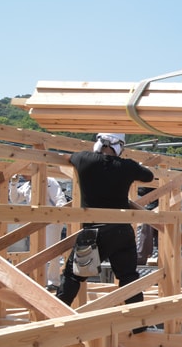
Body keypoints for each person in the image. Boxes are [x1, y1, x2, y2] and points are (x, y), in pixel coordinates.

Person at [56, 133, 154, 322]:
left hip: (93, 233)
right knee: (128, 277)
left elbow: (65, 158)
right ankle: (139, 323)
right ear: (120, 147)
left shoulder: (84, 158)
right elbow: (149, 176)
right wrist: (131, 166)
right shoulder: (128, 166)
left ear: (98, 143)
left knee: (73, 276)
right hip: (122, 231)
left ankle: (55, 317)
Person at [9, 174, 68, 291]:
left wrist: (60, 216)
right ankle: (41, 281)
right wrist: (13, 184)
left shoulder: (49, 180)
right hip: (36, 223)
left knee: (52, 251)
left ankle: (53, 282)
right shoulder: (27, 186)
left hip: (52, 222)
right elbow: (15, 199)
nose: (22, 174)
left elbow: (59, 199)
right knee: (38, 251)